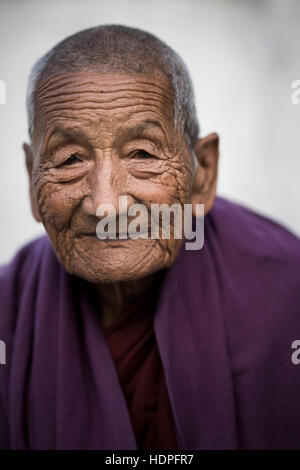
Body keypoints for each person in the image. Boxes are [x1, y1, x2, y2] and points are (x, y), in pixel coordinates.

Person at [0, 25, 300, 450]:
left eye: (142, 153)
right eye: (69, 159)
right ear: (32, 179)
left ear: (203, 175)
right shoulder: (8, 315)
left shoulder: (287, 294)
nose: (105, 204)